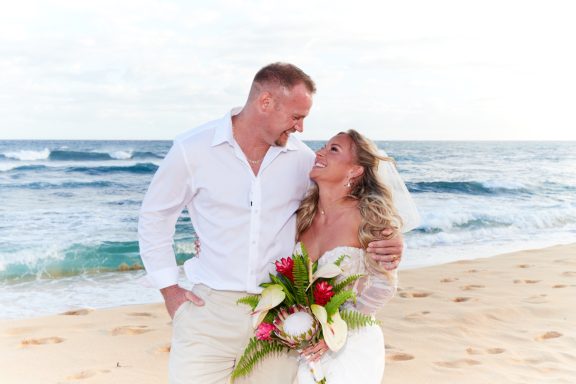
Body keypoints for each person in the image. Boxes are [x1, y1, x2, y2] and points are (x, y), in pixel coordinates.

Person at [138, 63, 404, 384]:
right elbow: (156, 216)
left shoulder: (304, 161)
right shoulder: (192, 148)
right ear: (265, 102)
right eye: (296, 116)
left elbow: (346, 211)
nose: (301, 128)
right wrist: (169, 288)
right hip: (209, 311)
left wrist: (393, 243)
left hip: (282, 321)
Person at [295, 130, 420, 384]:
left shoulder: (369, 218)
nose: (319, 152)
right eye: (324, 146)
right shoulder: (302, 216)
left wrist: (336, 334)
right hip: (303, 345)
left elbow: (384, 286)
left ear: (355, 170)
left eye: (334, 149)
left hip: (349, 346)